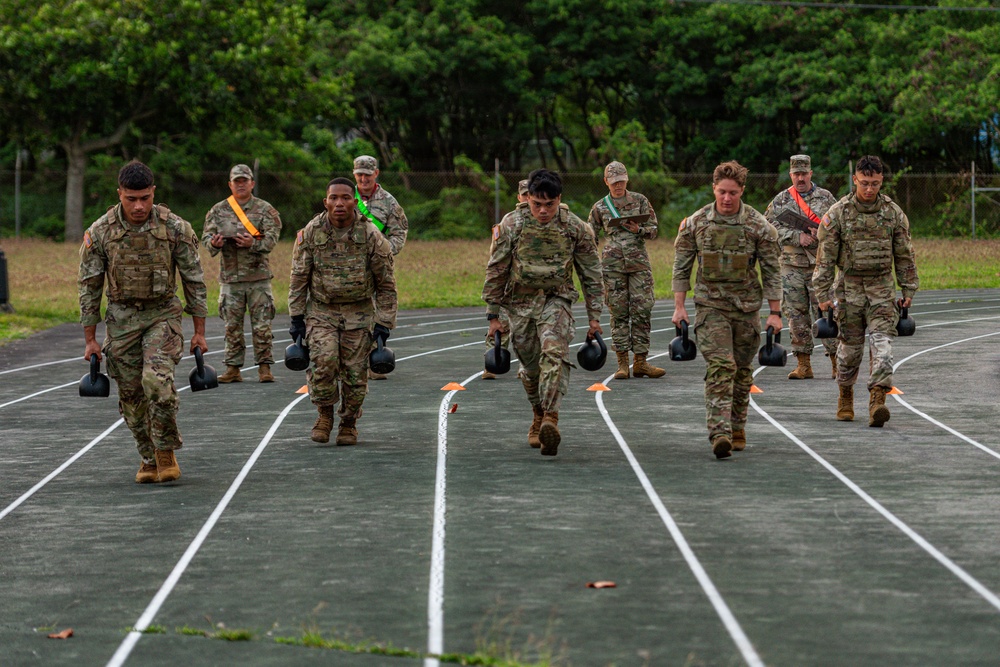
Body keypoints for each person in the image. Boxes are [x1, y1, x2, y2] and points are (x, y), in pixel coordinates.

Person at [78, 160, 208, 483]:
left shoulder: (175, 228)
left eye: (144, 199)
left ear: (153, 193)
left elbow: (194, 279)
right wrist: (90, 339)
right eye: (131, 199)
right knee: (132, 396)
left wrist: (199, 333)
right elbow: (90, 285)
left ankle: (166, 451)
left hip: (162, 315)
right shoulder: (101, 232)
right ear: (119, 194)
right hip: (121, 319)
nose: (138, 206)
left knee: (156, 382)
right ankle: (148, 456)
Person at [482, 169, 604, 456]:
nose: (543, 210)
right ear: (528, 199)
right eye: (537, 204)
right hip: (520, 305)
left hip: (556, 300)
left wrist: (594, 316)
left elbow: (591, 273)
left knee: (554, 353)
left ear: (559, 200)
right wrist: (493, 315)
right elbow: (497, 268)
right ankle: (537, 411)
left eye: (549, 205)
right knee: (530, 368)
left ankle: (551, 418)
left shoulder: (576, 227)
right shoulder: (512, 224)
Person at [671, 160, 782, 459]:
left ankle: (737, 426)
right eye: (722, 192)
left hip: (746, 309)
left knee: (743, 371)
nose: (727, 198)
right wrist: (679, 307)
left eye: (733, 192)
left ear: (742, 190)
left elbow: (772, 271)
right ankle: (719, 433)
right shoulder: (696, 223)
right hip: (711, 308)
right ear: (714, 189)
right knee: (722, 366)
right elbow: (681, 267)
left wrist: (775, 312)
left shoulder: (759, 226)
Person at [288, 177, 397, 445]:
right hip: (322, 312)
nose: (339, 203)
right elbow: (298, 278)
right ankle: (324, 414)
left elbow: (386, 284)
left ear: (354, 202)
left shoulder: (371, 235)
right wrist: (296, 318)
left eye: (345, 197)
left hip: (359, 314)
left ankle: (349, 422)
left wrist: (384, 323)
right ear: (325, 202)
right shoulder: (311, 233)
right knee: (323, 364)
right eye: (333, 198)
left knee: (355, 374)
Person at [813, 155, 919, 427]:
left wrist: (908, 287)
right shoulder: (838, 213)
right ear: (855, 180)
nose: (870, 189)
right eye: (864, 183)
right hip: (848, 290)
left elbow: (904, 254)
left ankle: (877, 401)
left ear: (881, 181)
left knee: (883, 347)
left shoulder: (893, 213)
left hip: (882, 289)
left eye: (874, 184)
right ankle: (845, 395)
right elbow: (825, 258)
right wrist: (822, 294)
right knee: (850, 350)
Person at [203, 164, 282, 384]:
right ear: (230, 184)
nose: (240, 184)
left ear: (252, 184)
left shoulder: (266, 210)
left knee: (262, 326)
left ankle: (265, 368)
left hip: (258, 278)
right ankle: (233, 368)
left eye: (244, 181)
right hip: (231, 278)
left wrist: (253, 243)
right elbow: (206, 237)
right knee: (232, 327)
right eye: (236, 181)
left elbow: (272, 239)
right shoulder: (218, 210)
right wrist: (214, 243)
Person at [764, 154, 839, 380]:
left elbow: (839, 226)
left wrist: (821, 233)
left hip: (820, 266)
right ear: (790, 175)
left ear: (810, 174)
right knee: (795, 315)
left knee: (828, 313)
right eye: (796, 174)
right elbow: (768, 230)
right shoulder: (780, 201)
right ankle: (803, 364)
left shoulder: (826, 198)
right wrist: (796, 236)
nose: (800, 178)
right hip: (791, 267)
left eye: (804, 173)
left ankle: (837, 361)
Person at [587, 161, 664, 380]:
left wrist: (638, 229)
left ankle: (641, 362)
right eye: (614, 183)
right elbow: (589, 236)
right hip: (612, 266)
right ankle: (622, 364)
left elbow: (654, 230)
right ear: (606, 182)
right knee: (618, 312)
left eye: (621, 181)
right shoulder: (599, 207)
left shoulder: (640, 200)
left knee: (642, 311)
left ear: (627, 180)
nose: (618, 186)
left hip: (639, 264)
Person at [353, 155, 408, 380]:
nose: (363, 179)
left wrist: (384, 251)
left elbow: (399, 232)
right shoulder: (345, 196)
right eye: (359, 175)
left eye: (367, 174)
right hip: (347, 267)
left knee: (378, 313)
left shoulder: (388, 201)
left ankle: (374, 360)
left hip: (378, 266)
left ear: (376, 173)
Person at [482, 178, 528, 380]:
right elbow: (496, 254)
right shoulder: (508, 221)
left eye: (531, 194)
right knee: (499, 323)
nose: (528, 198)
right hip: (507, 281)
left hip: (527, 284)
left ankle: (525, 366)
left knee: (526, 328)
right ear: (519, 197)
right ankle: (491, 364)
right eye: (524, 195)